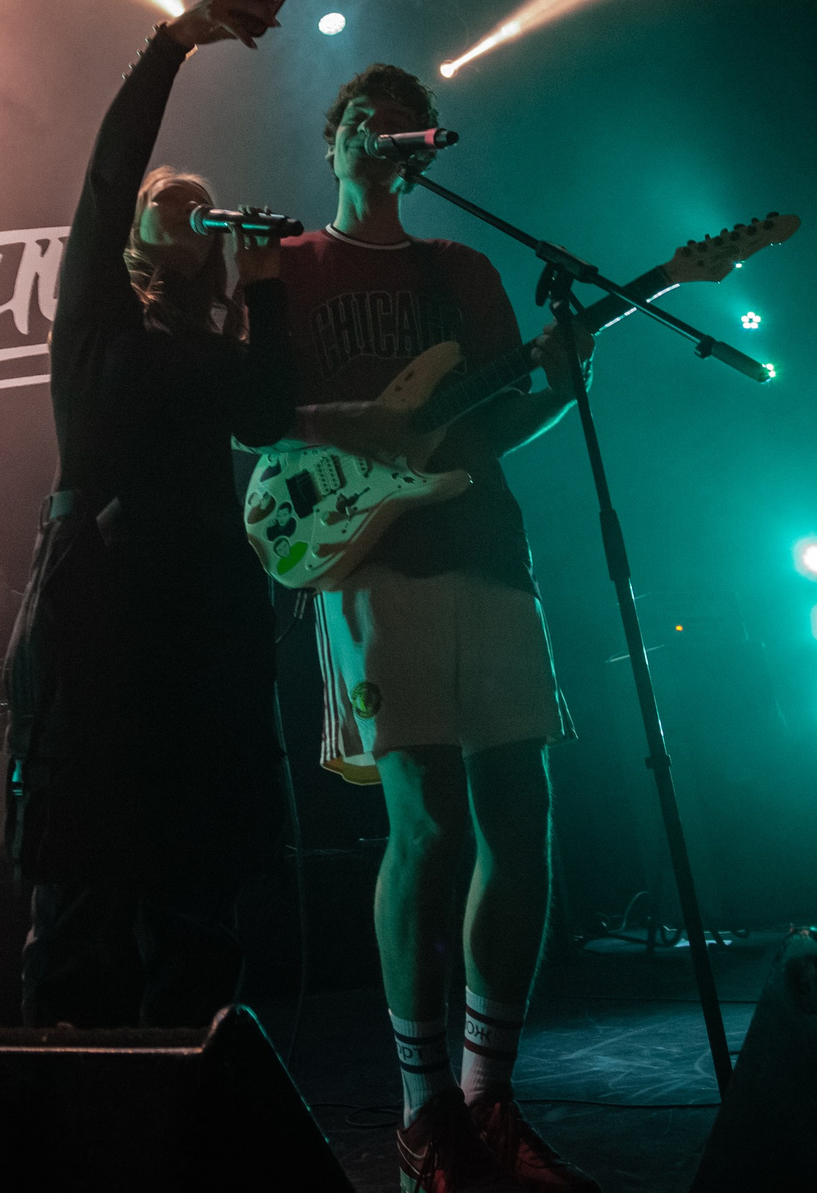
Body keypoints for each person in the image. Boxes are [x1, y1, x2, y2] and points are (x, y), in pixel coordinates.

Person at [272, 62, 598, 1193]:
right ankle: (422, 1120)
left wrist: (559, 384)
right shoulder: (286, 268)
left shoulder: (462, 268)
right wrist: (357, 434)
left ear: (419, 150)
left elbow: (500, 421)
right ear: (332, 145)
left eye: (393, 125)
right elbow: (246, 425)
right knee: (431, 822)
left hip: (487, 549)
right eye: (356, 120)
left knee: (524, 809)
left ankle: (487, 1100)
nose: (375, 134)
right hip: (370, 560)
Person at [3, 0, 299, 1029]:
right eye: (165, 204)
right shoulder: (94, 321)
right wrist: (173, 43)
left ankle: (195, 1102)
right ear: (133, 235)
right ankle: (66, 1110)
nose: (186, 206)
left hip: (207, 603)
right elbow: (106, 171)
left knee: (198, 880)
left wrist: (263, 285)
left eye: (199, 206)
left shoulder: (214, 347)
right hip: (101, 600)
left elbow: (269, 414)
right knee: (84, 876)